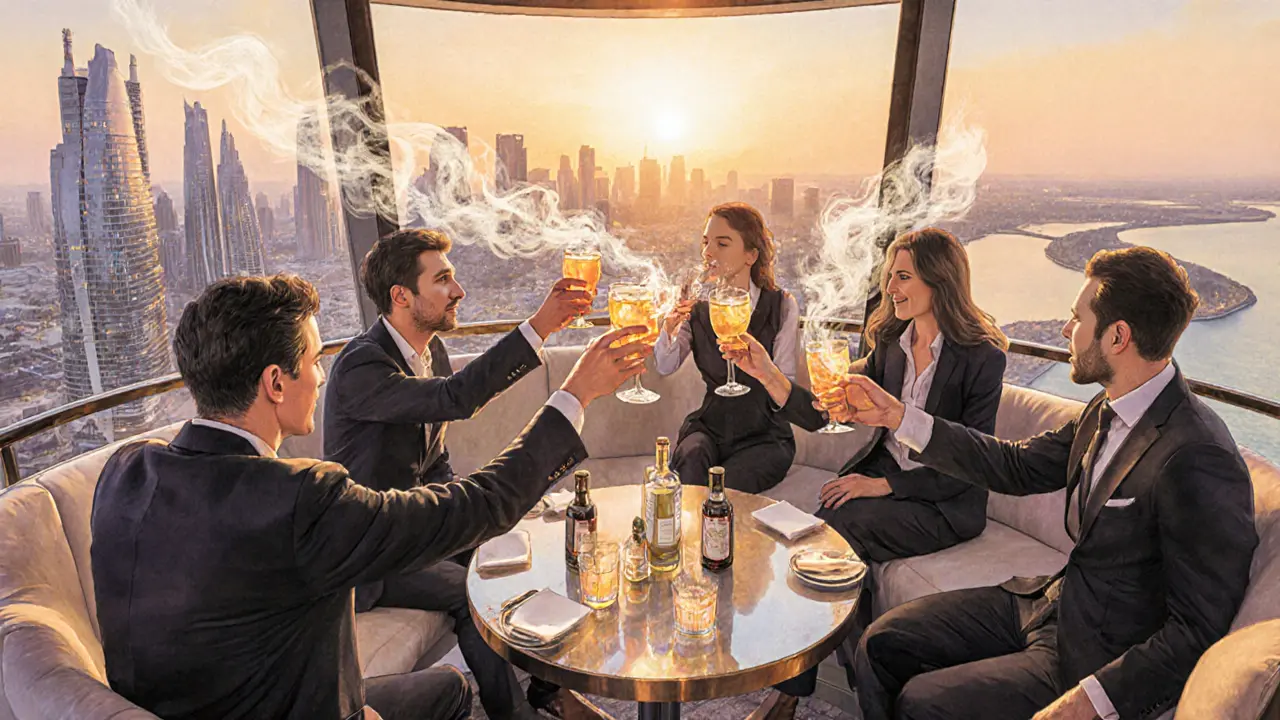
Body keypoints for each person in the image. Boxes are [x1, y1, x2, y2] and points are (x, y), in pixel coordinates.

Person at [90, 273, 651, 720]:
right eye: (313, 361)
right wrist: (575, 394)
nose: (321, 376)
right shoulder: (297, 498)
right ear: (275, 383)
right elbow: (479, 503)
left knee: (446, 678)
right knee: (452, 689)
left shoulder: (124, 472)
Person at [842, 246, 1256, 720]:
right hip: (1045, 604)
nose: (1065, 331)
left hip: (1091, 656)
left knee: (924, 702)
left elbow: (1198, 627)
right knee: (880, 645)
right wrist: (899, 416)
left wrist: (1094, 699)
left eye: (1076, 318)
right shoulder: (1106, 410)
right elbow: (1014, 465)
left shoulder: (1197, 456)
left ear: (1118, 336)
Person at [725, 227, 1009, 719]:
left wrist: (883, 484)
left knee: (832, 542)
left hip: (943, 504)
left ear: (939, 280)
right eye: (887, 278)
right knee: (820, 547)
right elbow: (824, 409)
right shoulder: (893, 344)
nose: (891, 290)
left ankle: (790, 697)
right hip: (886, 492)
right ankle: (864, 689)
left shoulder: (982, 358)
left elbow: (972, 462)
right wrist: (769, 372)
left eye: (902, 277)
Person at [323, 228, 598, 720]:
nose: (459, 291)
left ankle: (547, 689)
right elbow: (457, 399)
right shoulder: (360, 366)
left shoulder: (431, 353)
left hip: (420, 525)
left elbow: (434, 463)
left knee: (515, 555)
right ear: (401, 296)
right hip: (375, 553)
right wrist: (540, 327)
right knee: (473, 596)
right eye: (444, 279)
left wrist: (487, 520)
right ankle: (511, 714)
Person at [654, 202, 801, 492]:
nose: (708, 252)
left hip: (765, 436)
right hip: (710, 426)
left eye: (722, 243)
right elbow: (665, 365)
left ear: (751, 255)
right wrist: (668, 328)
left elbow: (786, 382)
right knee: (691, 460)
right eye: (706, 242)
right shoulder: (697, 305)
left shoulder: (781, 305)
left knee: (726, 490)